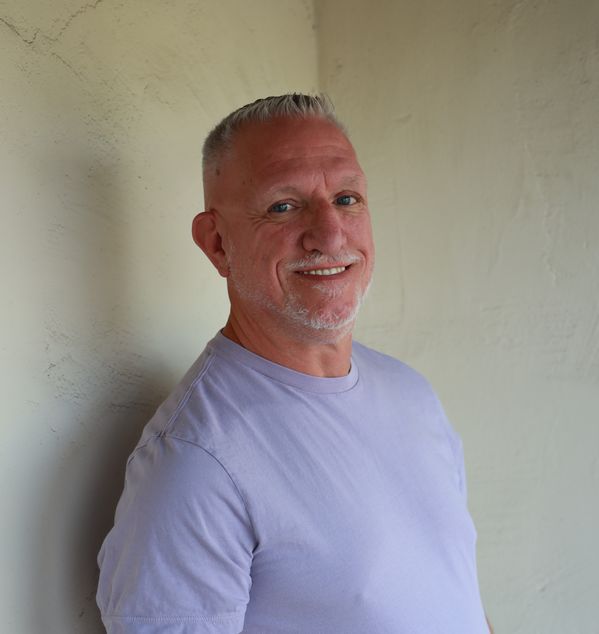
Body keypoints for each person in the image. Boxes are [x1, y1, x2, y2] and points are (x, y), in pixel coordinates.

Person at [97, 94, 492, 633]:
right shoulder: (194, 461)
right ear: (217, 244)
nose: (330, 234)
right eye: (284, 206)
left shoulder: (410, 394)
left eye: (347, 199)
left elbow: (458, 595)